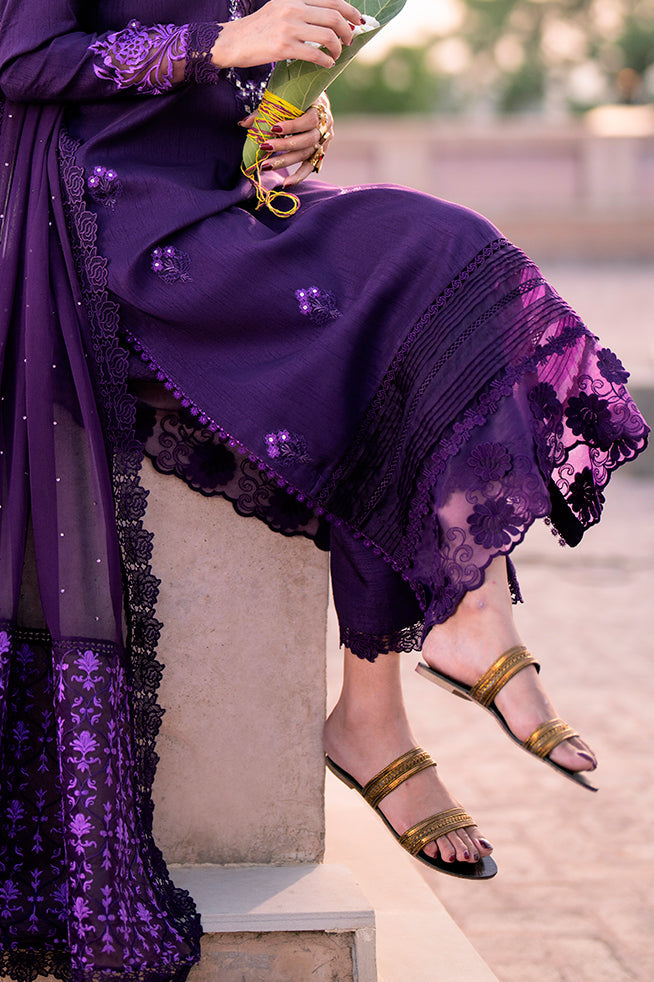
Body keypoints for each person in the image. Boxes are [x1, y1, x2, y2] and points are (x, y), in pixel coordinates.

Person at [0, 0, 648, 979]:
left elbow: (230, 64)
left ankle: (416, 667)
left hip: (217, 200)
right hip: (102, 228)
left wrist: (292, 115)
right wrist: (225, 45)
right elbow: (24, 59)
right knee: (390, 292)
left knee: (448, 256)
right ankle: (413, 684)